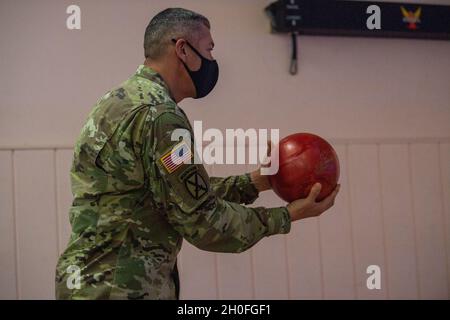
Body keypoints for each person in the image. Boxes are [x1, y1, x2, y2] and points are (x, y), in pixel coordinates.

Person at [55, 7, 340, 300]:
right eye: (209, 49)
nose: (212, 61)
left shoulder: (119, 100)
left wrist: (257, 181)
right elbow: (205, 222)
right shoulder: (160, 117)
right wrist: (287, 216)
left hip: (92, 283)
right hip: (119, 289)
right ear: (183, 49)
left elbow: (176, 194)